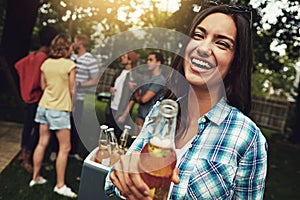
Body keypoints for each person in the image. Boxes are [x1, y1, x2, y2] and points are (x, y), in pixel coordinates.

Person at [105, 2, 268, 200]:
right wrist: (124, 173)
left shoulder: (248, 138)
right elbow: (114, 182)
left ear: (236, 63)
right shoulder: (160, 112)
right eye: (198, 36)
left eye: (222, 43)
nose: (203, 48)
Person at [29, 34, 77, 198]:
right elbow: (72, 90)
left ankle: (35, 178)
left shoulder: (46, 63)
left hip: (43, 106)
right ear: (66, 48)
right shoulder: (69, 65)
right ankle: (60, 185)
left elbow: (43, 86)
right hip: (59, 109)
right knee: (65, 147)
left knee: (42, 142)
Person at [14, 26, 58, 173]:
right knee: (37, 130)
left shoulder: (34, 55)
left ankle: (22, 153)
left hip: (28, 97)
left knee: (27, 127)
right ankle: (27, 158)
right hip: (37, 98)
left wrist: (26, 86)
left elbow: (19, 66)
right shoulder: (43, 58)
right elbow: (41, 81)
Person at [49, 34, 100, 161]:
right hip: (63, 97)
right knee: (59, 124)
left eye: (75, 41)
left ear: (80, 43)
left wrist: (79, 84)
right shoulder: (70, 57)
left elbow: (95, 79)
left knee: (75, 124)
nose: (73, 43)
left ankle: (73, 151)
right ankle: (55, 150)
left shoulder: (90, 60)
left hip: (79, 98)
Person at [131, 52, 167, 135]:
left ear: (158, 63)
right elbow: (139, 96)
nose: (148, 62)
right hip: (139, 117)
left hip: (149, 122)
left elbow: (144, 99)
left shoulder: (160, 80)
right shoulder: (147, 79)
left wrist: (133, 90)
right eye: (147, 60)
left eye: (151, 60)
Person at [105, 51, 139, 138]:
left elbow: (132, 99)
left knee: (117, 138)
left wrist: (124, 116)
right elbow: (112, 87)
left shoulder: (134, 76)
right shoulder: (119, 72)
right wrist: (111, 89)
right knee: (108, 136)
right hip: (111, 108)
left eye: (124, 56)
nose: (121, 58)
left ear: (130, 60)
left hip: (121, 111)